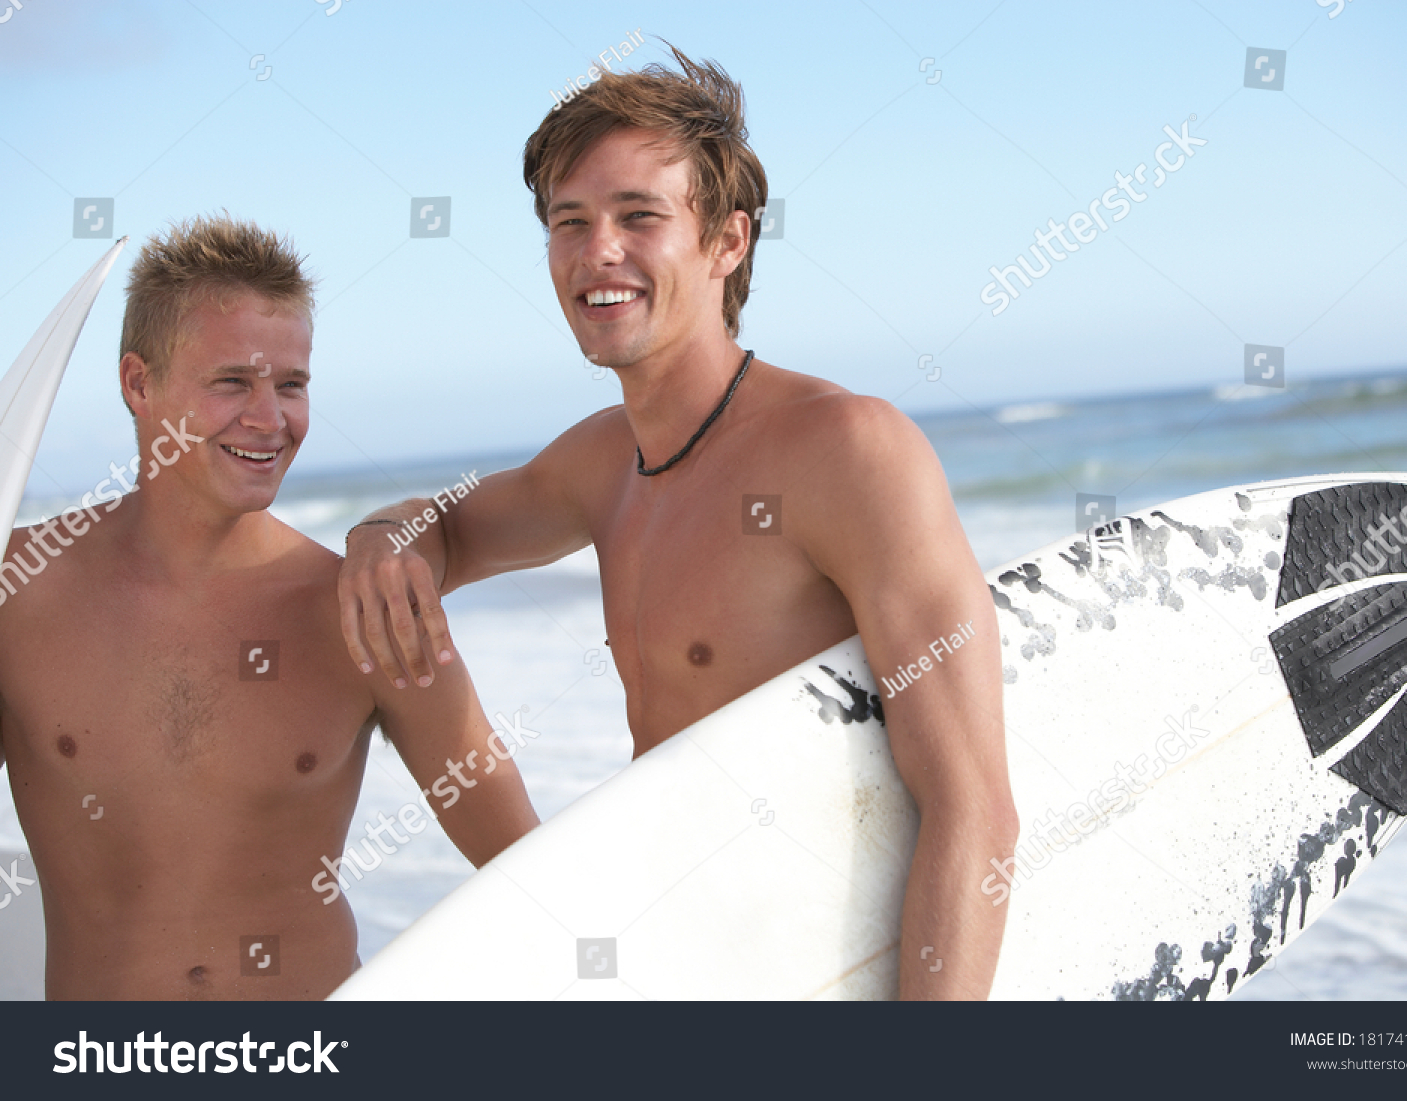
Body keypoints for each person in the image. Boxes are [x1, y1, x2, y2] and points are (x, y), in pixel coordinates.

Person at [339, 49, 1018, 999]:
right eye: (568, 223)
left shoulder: (849, 450)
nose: (596, 251)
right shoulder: (599, 462)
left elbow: (974, 807)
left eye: (639, 217)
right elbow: (447, 531)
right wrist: (381, 536)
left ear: (728, 242)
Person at [0, 215, 536, 1000]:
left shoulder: (363, 607)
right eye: (232, 382)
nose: (270, 418)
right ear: (138, 384)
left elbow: (530, 871)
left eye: (291, 384)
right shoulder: (22, 590)